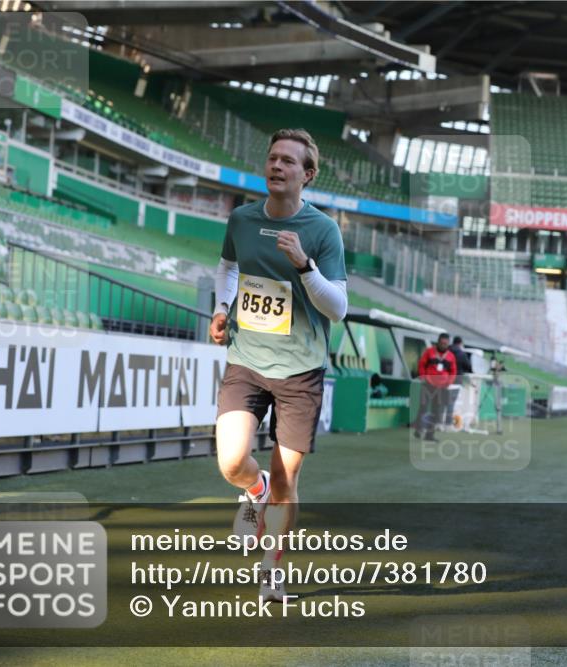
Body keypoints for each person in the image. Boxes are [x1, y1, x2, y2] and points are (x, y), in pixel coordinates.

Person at [209, 128, 347, 603]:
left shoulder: (323, 231)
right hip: (246, 359)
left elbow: (338, 308)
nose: (277, 166)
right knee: (231, 463)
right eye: (272, 158)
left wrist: (306, 266)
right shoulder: (242, 219)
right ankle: (254, 488)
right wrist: (221, 309)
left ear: (307, 175)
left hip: (300, 371)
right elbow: (228, 266)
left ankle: (271, 572)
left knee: (288, 481)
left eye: (289, 161)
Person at [415, 333, 457, 441]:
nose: (443, 345)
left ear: (448, 344)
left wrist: (449, 381)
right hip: (428, 384)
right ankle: (419, 429)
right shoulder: (429, 352)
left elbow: (453, 371)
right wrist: (423, 376)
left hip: (441, 387)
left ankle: (429, 435)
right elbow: (421, 364)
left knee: (436, 411)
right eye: (442, 343)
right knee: (423, 407)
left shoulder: (451, 356)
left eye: (446, 344)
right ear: (438, 342)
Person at [443, 336, 473, 427]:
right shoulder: (461, 353)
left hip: (443, 379)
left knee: (441, 401)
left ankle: (438, 422)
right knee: (451, 402)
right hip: (456, 380)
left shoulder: (445, 351)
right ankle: (448, 423)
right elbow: (468, 366)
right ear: (460, 343)